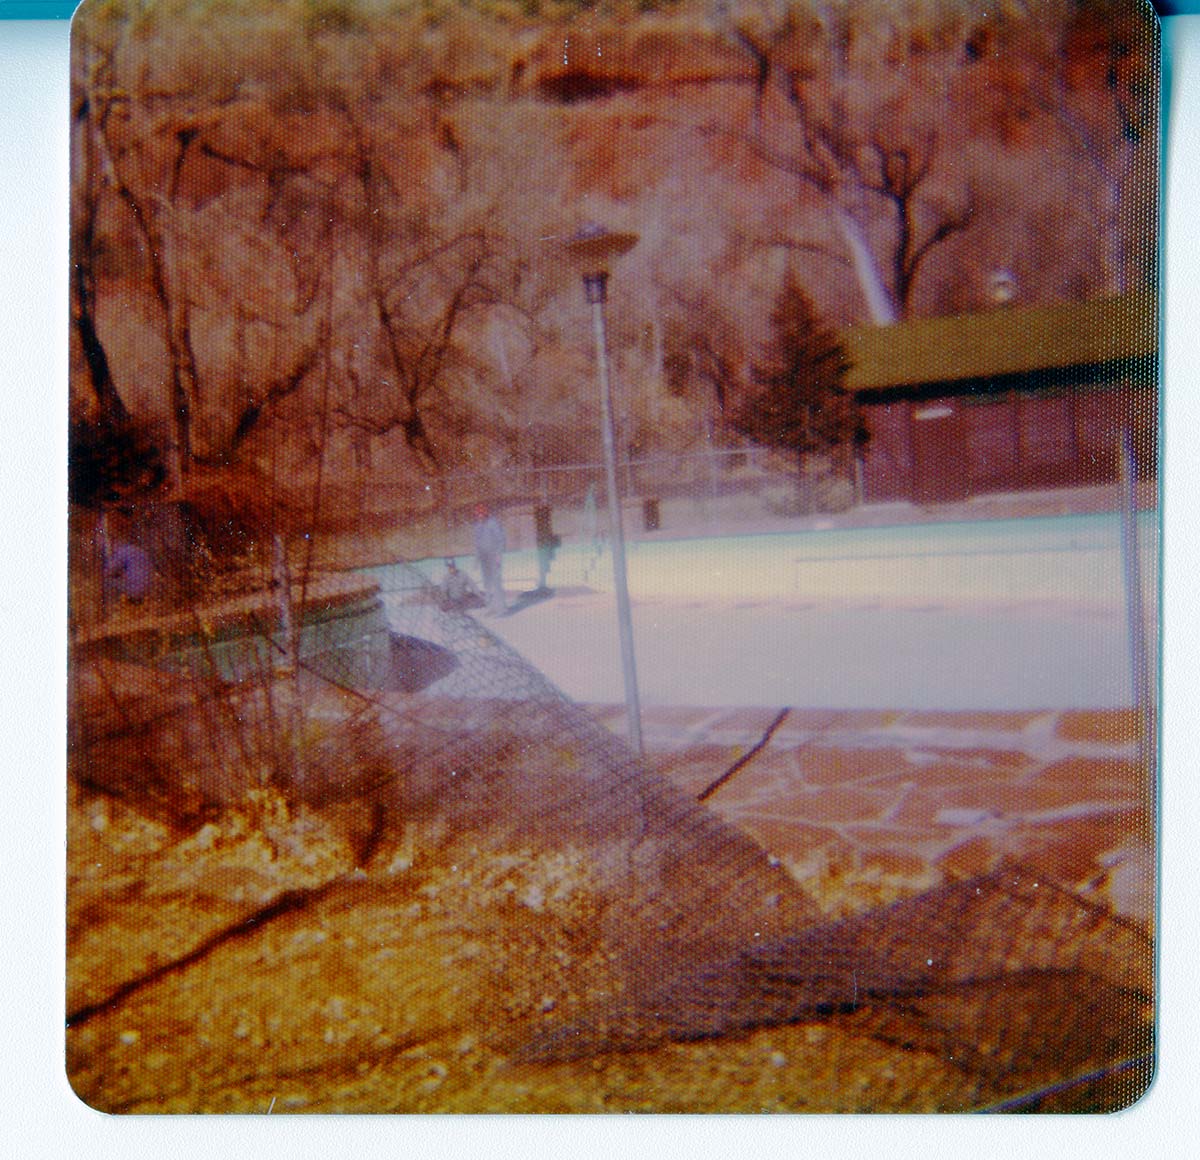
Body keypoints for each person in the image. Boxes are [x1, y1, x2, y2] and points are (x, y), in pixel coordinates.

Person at [472, 502, 507, 615]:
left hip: (493, 555)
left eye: (482, 513)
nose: (480, 515)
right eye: (478, 513)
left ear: (486, 512)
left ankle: (501, 608)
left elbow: (501, 539)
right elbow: (477, 544)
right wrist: (476, 559)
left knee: (496, 582)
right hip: (484, 557)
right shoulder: (477, 526)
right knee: (487, 583)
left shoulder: (493, 523)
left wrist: (498, 554)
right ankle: (492, 607)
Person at [104, 540, 153, 605]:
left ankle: (110, 604)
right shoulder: (140, 551)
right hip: (144, 586)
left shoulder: (123, 551)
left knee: (107, 582)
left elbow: (110, 570)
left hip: (132, 586)